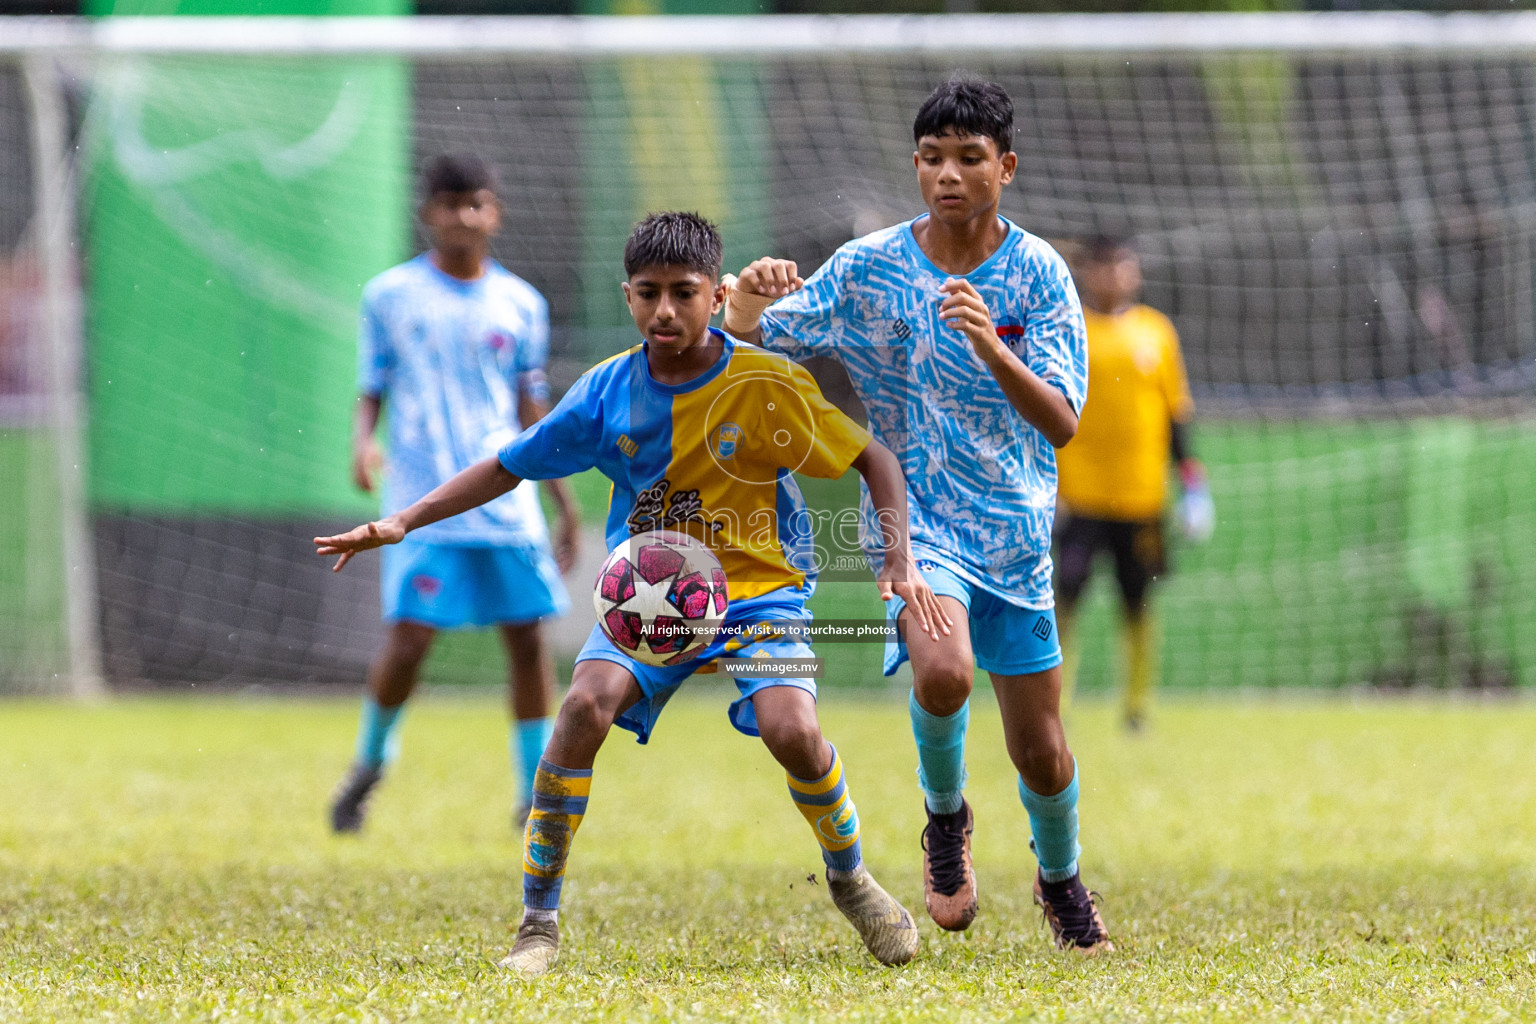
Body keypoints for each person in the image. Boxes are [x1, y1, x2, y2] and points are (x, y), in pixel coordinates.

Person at [316, 211, 949, 976]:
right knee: (583, 706)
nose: (665, 311)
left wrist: (896, 557)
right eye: (648, 294)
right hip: (653, 594)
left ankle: (851, 880)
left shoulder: (765, 385)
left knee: (793, 730)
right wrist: (402, 520)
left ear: (718, 298)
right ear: (627, 297)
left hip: (760, 595)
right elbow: (510, 463)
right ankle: (537, 923)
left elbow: (874, 459)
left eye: (684, 293)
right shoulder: (607, 390)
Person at [722, 76, 1113, 953]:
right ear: (916, 165)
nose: (948, 174)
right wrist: (748, 294)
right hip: (915, 522)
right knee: (943, 672)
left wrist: (988, 344)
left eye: (969, 158)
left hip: (1014, 535)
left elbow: (1062, 419)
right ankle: (946, 823)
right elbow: (756, 334)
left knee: (1041, 749)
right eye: (933, 158)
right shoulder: (871, 268)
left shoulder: (1038, 273)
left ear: (1003, 168)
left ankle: (1060, 882)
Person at [329, 154, 580, 835]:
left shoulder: (522, 303)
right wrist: (362, 443)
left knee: (527, 640)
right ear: (427, 212)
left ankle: (535, 793)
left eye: (475, 203)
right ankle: (368, 766)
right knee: (409, 640)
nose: (462, 217)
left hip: (506, 501)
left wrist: (563, 504)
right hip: (423, 501)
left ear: (493, 212)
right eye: (449, 204)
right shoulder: (390, 296)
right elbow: (371, 385)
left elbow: (534, 413)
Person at [1055, 235, 1213, 731]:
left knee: (1138, 601)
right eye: (1103, 266)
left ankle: (1137, 707)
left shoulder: (1157, 332)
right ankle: (1052, 708)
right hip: (1077, 498)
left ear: (1135, 271)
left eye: (1122, 265)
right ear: (1086, 272)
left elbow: (1177, 415)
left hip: (1142, 497)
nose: (1114, 275)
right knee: (1064, 598)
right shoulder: (1066, 327)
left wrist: (1193, 485)